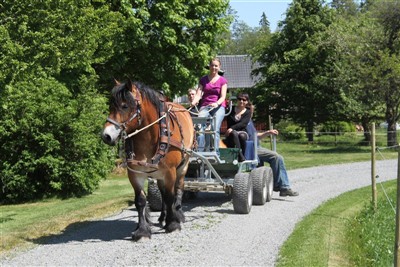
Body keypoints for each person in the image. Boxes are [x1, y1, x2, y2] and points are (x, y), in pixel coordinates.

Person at [246, 108, 299, 197]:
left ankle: (281, 186)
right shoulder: (243, 120)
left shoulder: (249, 121)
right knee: (276, 156)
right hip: (251, 147)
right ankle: (282, 187)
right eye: (250, 110)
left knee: (277, 158)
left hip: (257, 147)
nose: (251, 112)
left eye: (252, 111)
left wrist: (268, 132)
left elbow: (255, 135)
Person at [190, 58, 227, 153]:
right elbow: (198, 94)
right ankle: (200, 152)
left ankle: (215, 152)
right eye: (212, 65)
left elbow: (223, 97)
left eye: (216, 66)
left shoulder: (223, 81)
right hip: (206, 106)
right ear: (209, 66)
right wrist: (194, 101)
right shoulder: (203, 79)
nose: (214, 67)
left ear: (219, 67)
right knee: (199, 126)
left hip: (218, 106)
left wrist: (216, 103)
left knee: (214, 127)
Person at [225, 93, 251, 162]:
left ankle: (242, 154)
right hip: (231, 133)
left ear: (247, 102)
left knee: (242, 136)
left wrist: (232, 128)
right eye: (240, 99)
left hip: (242, 131)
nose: (241, 101)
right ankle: (240, 155)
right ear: (237, 100)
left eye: (244, 100)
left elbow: (243, 124)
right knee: (234, 133)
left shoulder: (248, 112)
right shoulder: (231, 109)